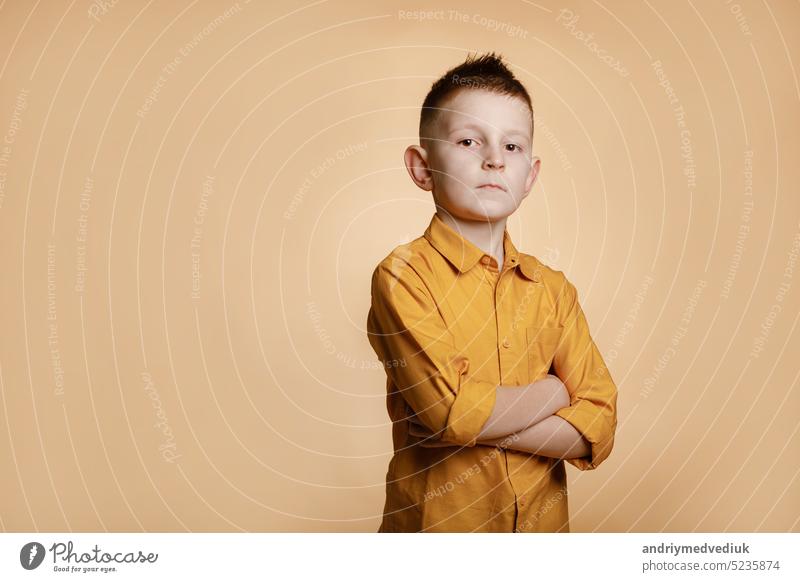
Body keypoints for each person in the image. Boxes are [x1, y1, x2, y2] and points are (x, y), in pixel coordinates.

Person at [366, 52, 618, 532]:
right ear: (422, 168)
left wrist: (474, 424)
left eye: (513, 147)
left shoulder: (553, 291)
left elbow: (600, 425)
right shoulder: (403, 276)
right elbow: (448, 414)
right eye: (467, 140)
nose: (494, 159)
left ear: (530, 177)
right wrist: (554, 392)